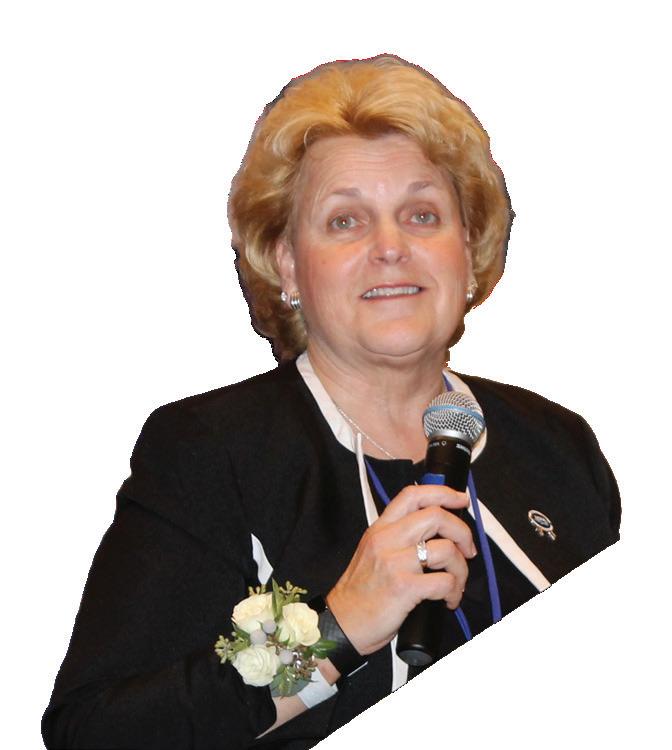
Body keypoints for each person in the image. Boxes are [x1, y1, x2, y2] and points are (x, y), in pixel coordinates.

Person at [42, 54, 621, 749]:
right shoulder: (213, 452)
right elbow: (96, 732)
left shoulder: (558, 446)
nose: (391, 248)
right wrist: (337, 629)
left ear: (467, 248)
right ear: (287, 263)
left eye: (422, 215)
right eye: (346, 221)